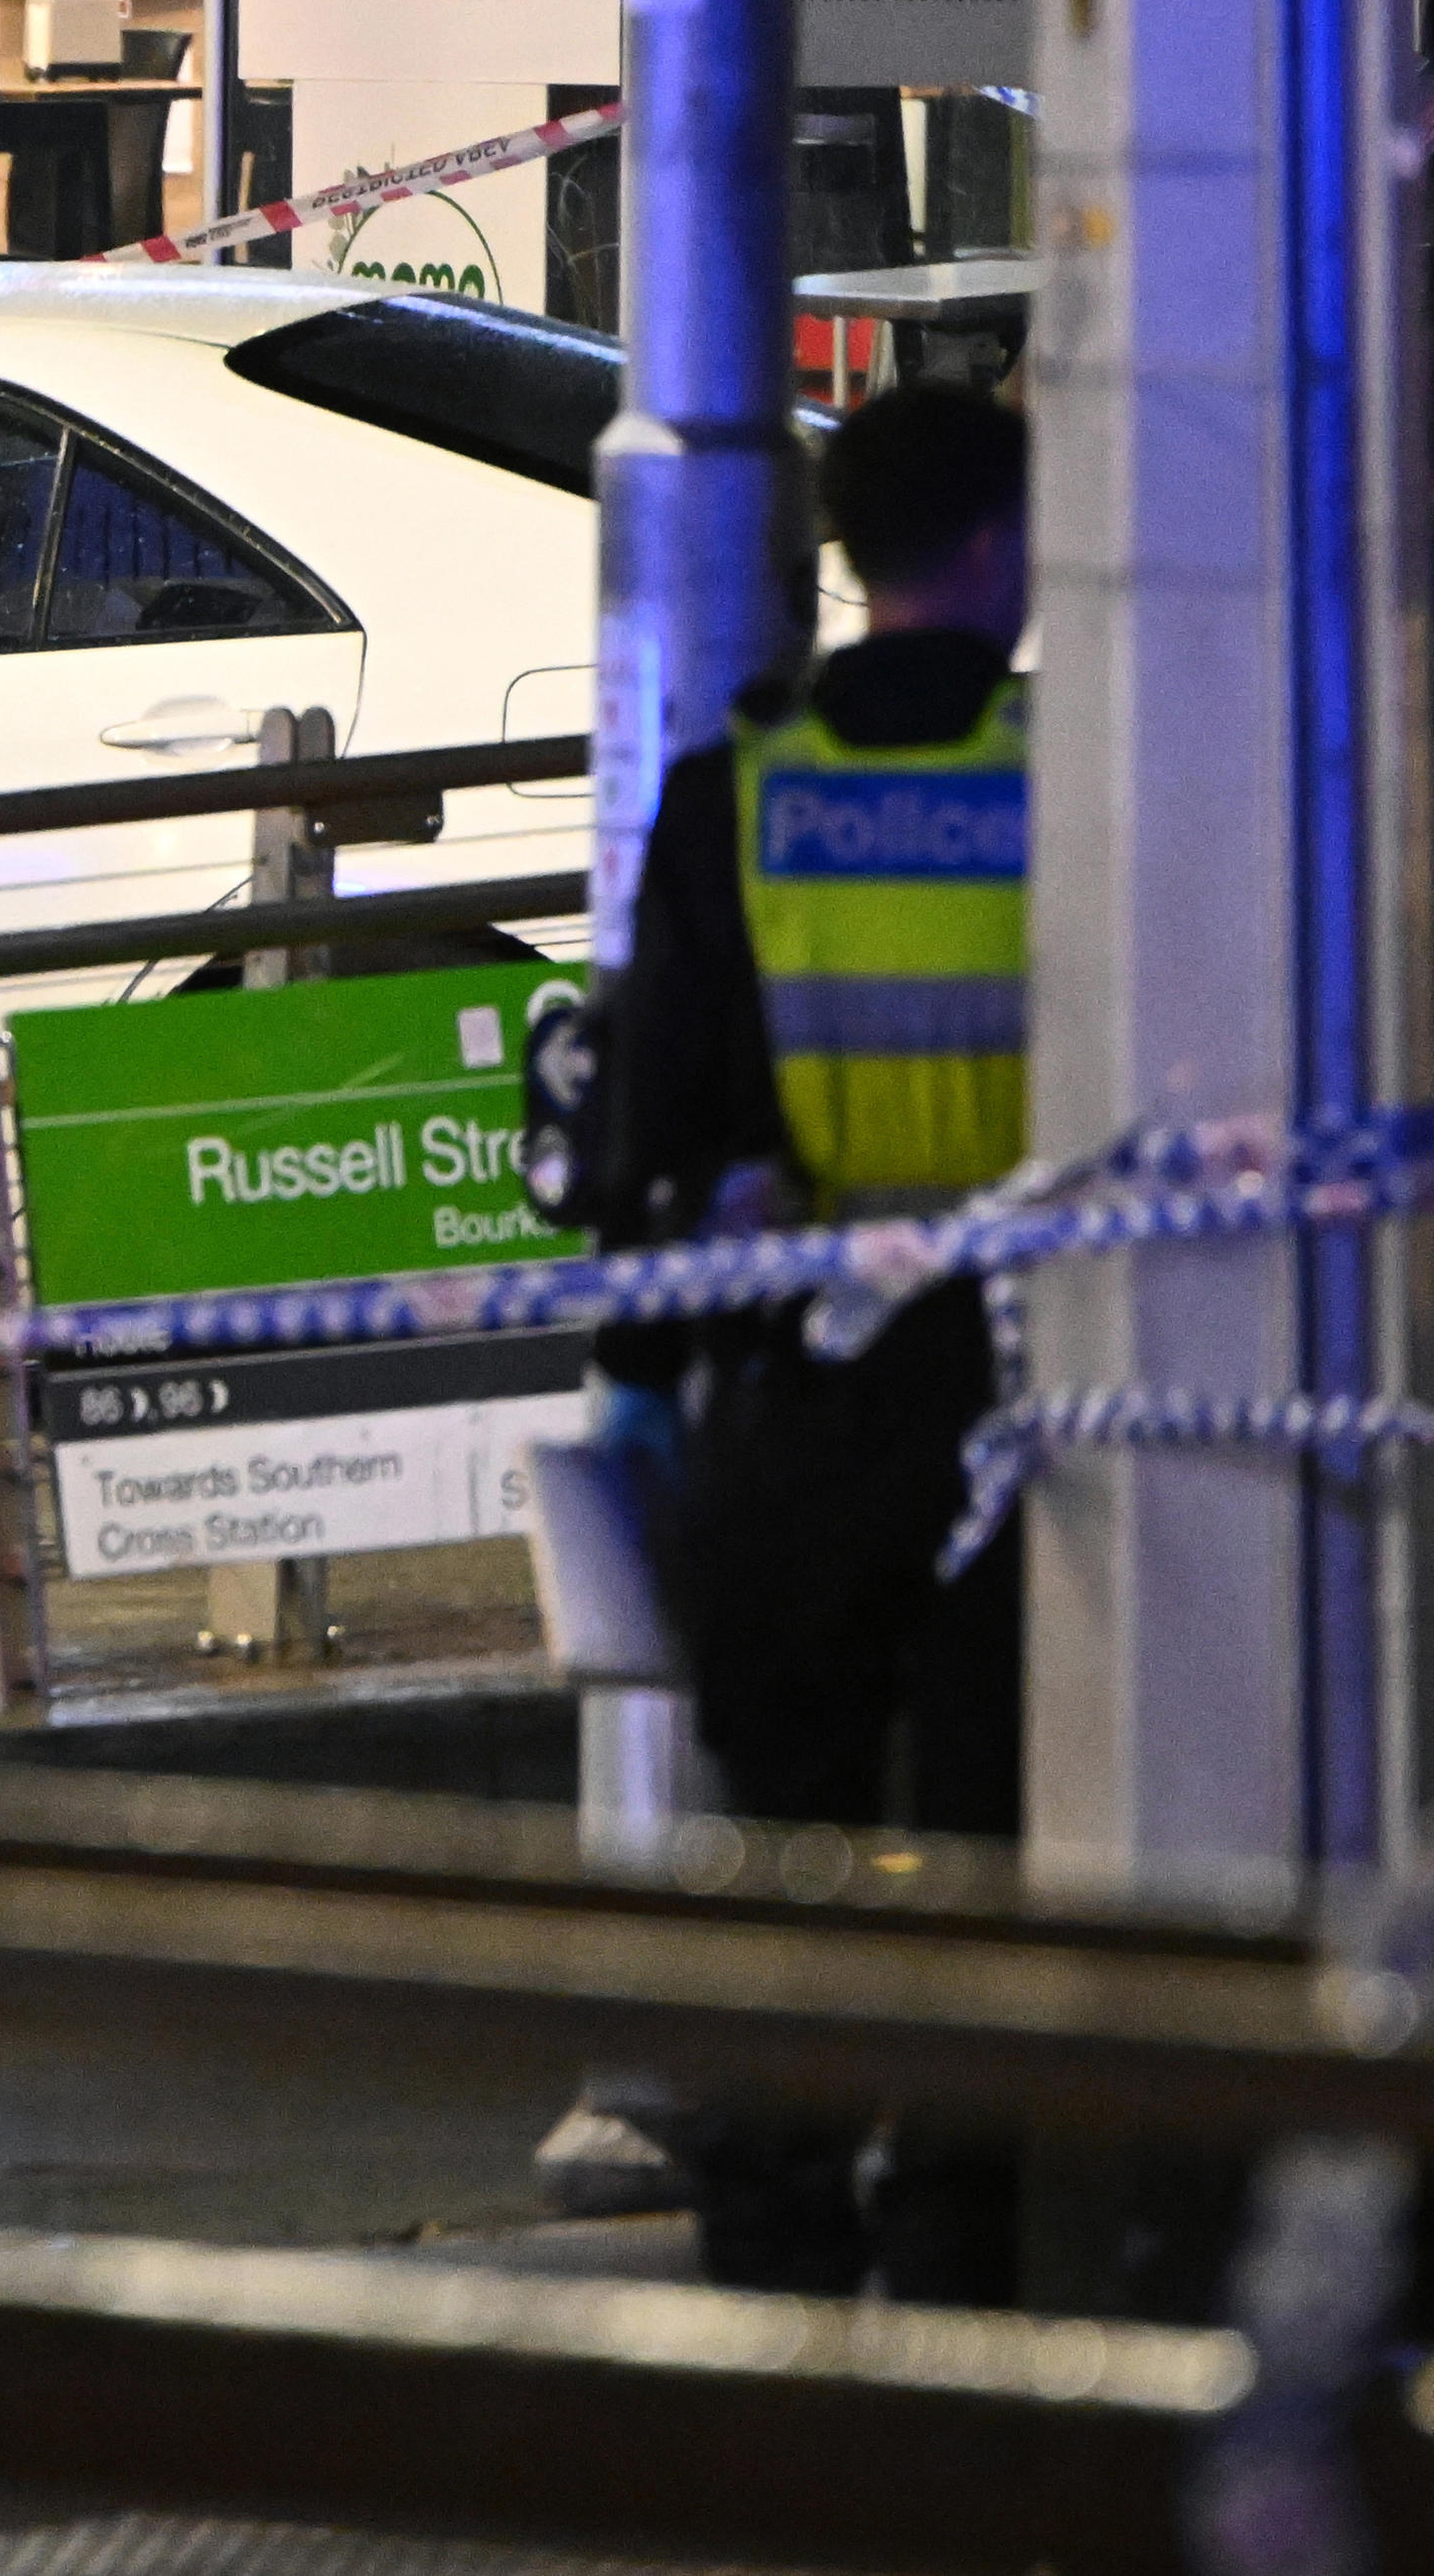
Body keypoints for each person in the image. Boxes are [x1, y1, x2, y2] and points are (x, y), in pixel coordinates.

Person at [579, 375, 1031, 2303]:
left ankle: (774, 2285)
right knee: (1010, 1859)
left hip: (796, 1389)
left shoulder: (739, 786)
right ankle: (957, 2266)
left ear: (844, 554)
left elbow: (633, 1148)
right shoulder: (1065, 770)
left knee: (788, 1854)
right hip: (1045, 1391)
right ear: (1009, 542)